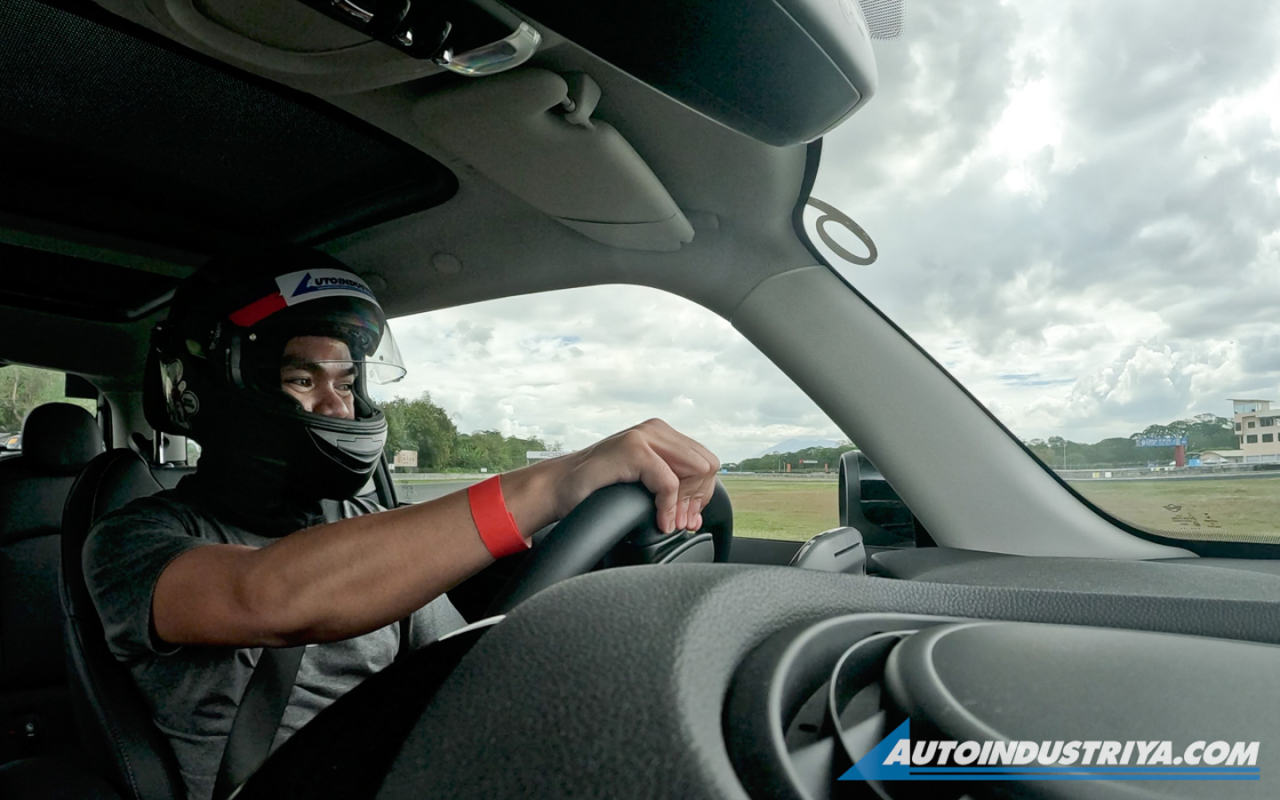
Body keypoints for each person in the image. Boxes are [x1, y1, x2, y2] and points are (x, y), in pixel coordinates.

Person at [82, 248, 720, 800]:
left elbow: (459, 670)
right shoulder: (132, 540)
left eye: (346, 383)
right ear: (215, 389)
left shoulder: (366, 521)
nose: (338, 407)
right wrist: (552, 483)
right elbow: (269, 596)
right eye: (301, 379)